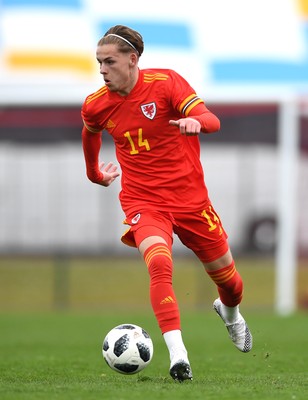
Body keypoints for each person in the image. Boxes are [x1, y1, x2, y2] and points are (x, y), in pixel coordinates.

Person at [81, 25, 253, 382]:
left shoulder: (166, 83)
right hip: (144, 201)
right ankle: (179, 357)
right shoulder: (97, 104)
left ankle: (230, 314)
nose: (102, 70)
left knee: (231, 283)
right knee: (159, 264)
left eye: (109, 62)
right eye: (99, 62)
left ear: (132, 60)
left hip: (191, 202)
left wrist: (196, 122)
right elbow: (90, 132)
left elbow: (213, 120)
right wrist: (94, 172)